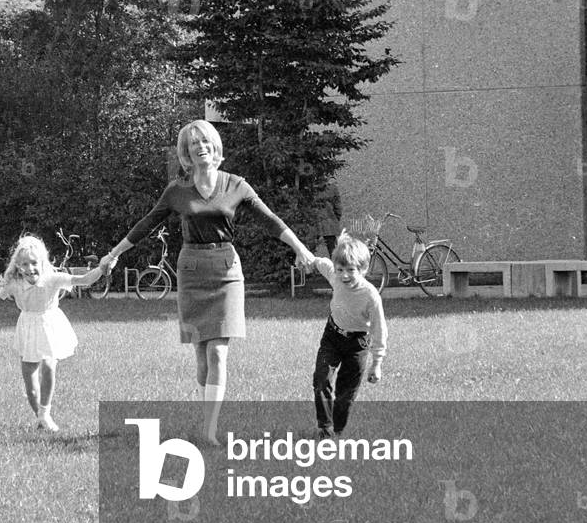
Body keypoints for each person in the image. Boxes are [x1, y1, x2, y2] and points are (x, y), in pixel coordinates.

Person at [100, 119, 315, 445]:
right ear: (186, 153)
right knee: (201, 356)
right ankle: (206, 421)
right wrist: (113, 254)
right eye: (193, 143)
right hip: (192, 272)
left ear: (215, 147)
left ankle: (209, 430)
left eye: (205, 141)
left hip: (226, 272)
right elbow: (146, 223)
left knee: (218, 352)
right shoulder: (176, 191)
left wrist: (300, 249)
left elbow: (270, 220)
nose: (200, 147)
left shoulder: (236, 185)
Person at [0, 235, 107, 432]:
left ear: (42, 262)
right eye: (25, 264)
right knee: (30, 385)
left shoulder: (53, 278)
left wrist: (102, 268)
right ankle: (41, 418)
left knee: (49, 365)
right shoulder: (14, 284)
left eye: (34, 263)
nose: (30, 268)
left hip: (49, 324)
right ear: (18, 266)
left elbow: (85, 280)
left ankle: (45, 413)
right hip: (28, 327)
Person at [307, 231, 387, 438]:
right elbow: (322, 263)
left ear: (363, 269)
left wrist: (377, 363)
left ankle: (338, 429)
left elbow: (379, 329)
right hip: (332, 337)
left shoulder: (370, 296)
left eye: (351, 270)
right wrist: (309, 260)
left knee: (345, 393)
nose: (344, 275)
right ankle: (325, 429)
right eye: (340, 269)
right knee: (321, 380)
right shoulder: (335, 276)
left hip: (357, 344)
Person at [316, 181, 342, 256]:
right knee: (333, 251)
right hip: (330, 223)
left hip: (314, 222)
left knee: (309, 250)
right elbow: (338, 207)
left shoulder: (310, 188)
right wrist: (336, 219)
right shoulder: (332, 188)